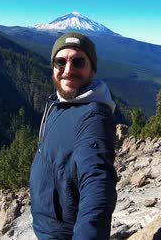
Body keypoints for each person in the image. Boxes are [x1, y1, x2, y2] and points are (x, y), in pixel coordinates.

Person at [29, 32, 117, 240]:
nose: (68, 70)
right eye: (60, 62)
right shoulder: (61, 104)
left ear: (92, 69)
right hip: (49, 227)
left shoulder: (93, 116)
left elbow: (97, 182)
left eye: (78, 62)